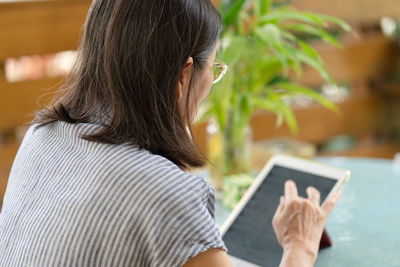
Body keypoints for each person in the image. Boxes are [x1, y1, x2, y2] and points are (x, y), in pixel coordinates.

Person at [0, 0, 341, 266]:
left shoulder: (41, 136)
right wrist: (299, 246)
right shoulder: (167, 195)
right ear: (182, 78)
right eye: (215, 69)